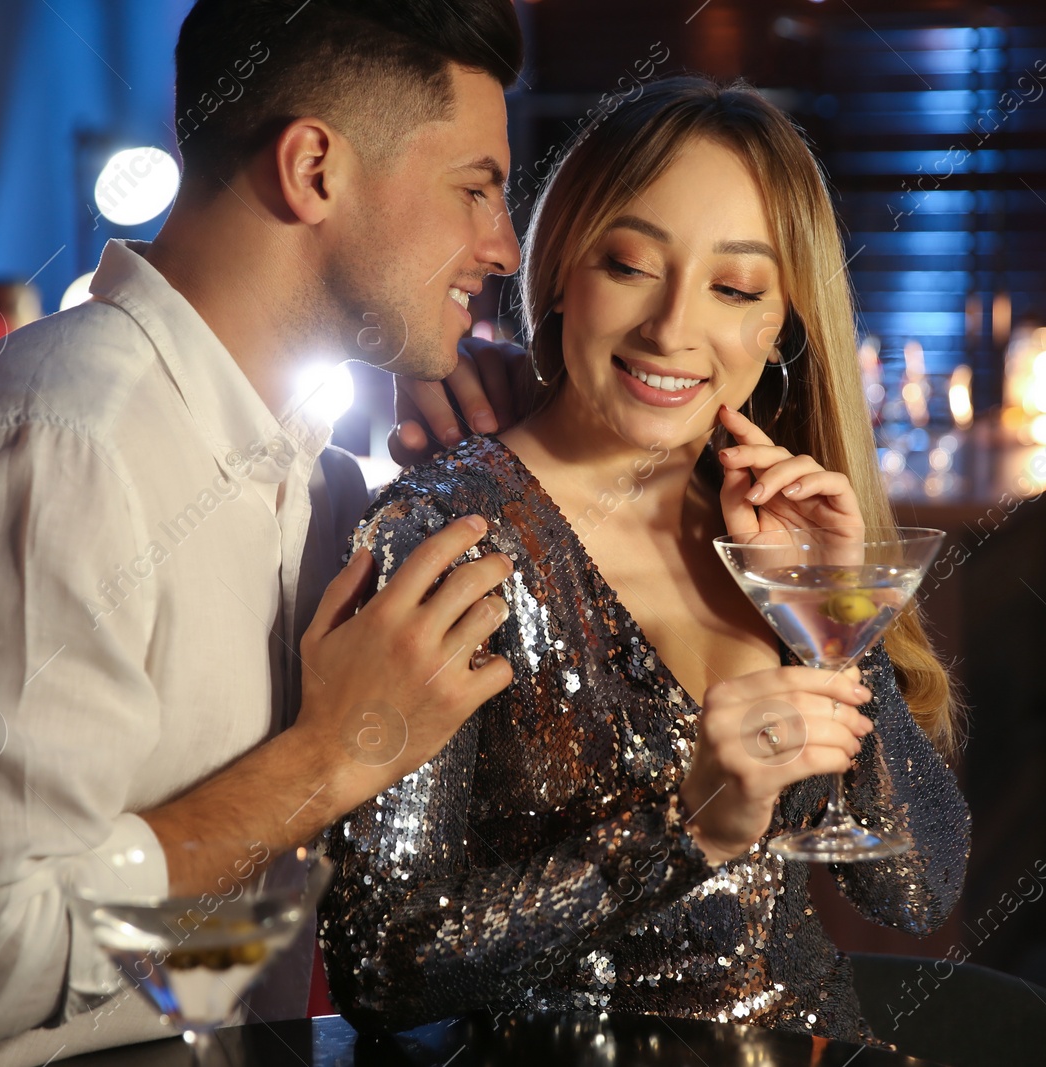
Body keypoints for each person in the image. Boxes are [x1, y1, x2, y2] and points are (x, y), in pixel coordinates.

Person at [0, 2, 529, 1064]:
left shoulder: (311, 485)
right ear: (313, 167)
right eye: (477, 188)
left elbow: (184, 961)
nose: (501, 245)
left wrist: (525, 451)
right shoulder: (66, 440)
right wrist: (321, 761)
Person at [320, 77, 971, 1046]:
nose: (671, 328)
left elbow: (915, 886)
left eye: (736, 287)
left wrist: (833, 623)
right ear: (556, 275)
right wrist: (688, 826)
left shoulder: (764, 537)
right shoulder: (443, 531)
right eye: (629, 265)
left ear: (780, 324)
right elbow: (384, 962)